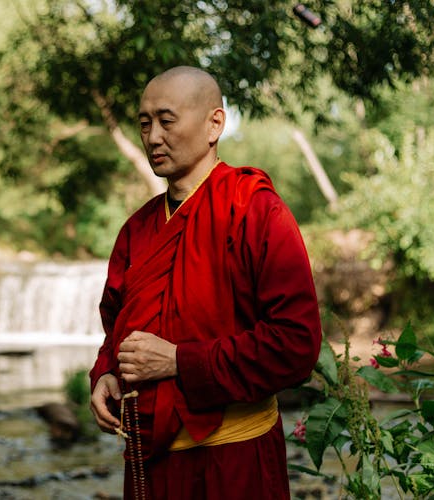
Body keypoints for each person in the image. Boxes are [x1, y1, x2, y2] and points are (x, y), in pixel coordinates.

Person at [89, 66, 322, 500]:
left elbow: (296, 345)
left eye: (166, 120)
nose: (153, 136)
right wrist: (104, 373)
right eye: (144, 123)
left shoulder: (255, 210)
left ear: (215, 123)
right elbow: (116, 327)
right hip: (150, 464)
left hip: (235, 460)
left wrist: (181, 361)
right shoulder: (137, 229)